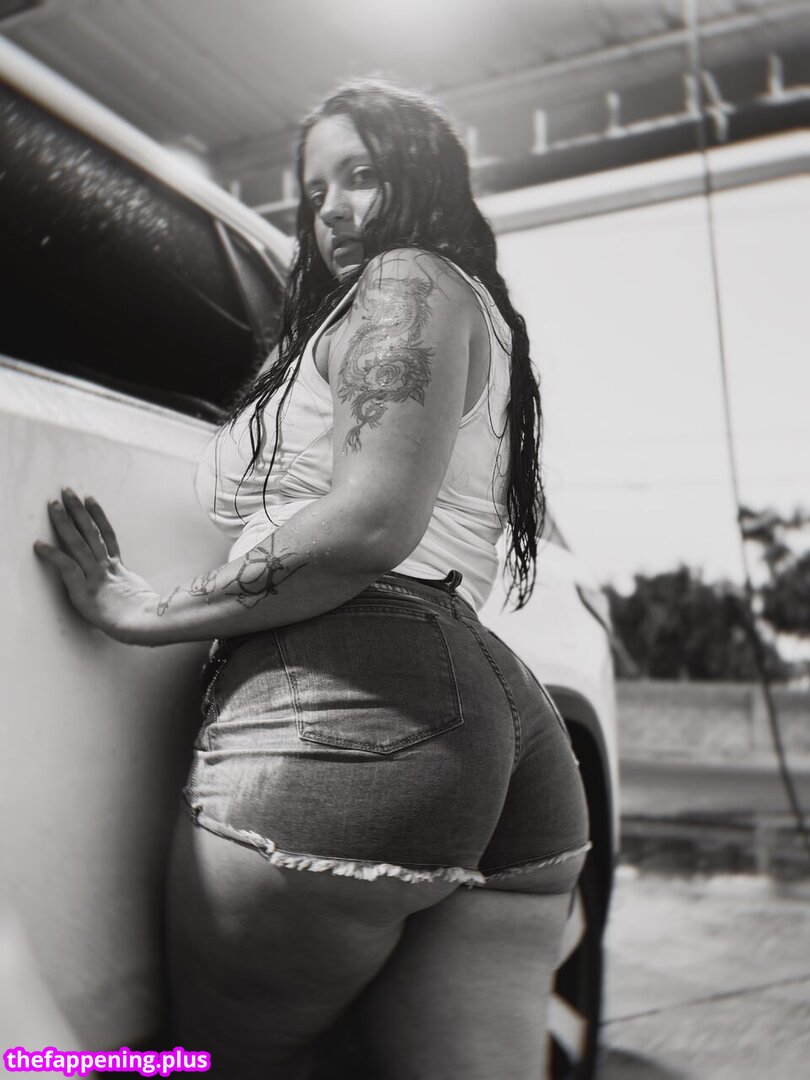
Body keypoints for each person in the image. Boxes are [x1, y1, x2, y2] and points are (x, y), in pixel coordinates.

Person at [34, 80, 590, 1079]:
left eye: (362, 173)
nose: (333, 209)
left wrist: (147, 610)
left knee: (230, 1064)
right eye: (316, 190)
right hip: (501, 730)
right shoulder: (468, 310)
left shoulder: (406, 282)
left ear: (427, 174)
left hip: (352, 706)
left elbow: (369, 522)